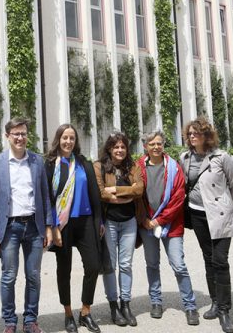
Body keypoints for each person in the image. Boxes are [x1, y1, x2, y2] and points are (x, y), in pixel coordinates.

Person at [0, 117, 53, 333]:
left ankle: (30, 320)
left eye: (23, 133)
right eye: (16, 134)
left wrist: (49, 226)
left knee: (33, 275)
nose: (20, 137)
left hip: (34, 226)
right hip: (9, 228)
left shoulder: (37, 161)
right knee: (9, 276)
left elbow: (45, 195)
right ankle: (10, 322)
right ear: (8, 136)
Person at [180, 117, 233, 333]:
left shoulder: (221, 157)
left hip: (220, 215)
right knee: (208, 258)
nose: (192, 136)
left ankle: (225, 310)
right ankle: (215, 302)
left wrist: (221, 203)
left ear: (206, 135)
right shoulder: (185, 157)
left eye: (196, 132)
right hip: (197, 215)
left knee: (220, 260)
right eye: (190, 133)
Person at [45, 124, 104, 333]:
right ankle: (68, 313)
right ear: (58, 139)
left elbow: (95, 194)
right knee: (65, 269)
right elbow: (48, 198)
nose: (68, 141)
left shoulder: (83, 163)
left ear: (75, 141)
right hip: (63, 224)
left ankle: (85, 312)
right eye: (64, 138)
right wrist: (53, 226)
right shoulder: (51, 164)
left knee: (93, 266)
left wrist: (100, 222)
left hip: (86, 220)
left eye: (71, 138)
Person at [137, 130, 200, 326]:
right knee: (152, 264)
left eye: (159, 143)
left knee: (178, 265)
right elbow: (136, 196)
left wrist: (159, 220)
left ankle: (190, 305)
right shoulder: (138, 166)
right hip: (147, 225)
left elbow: (178, 197)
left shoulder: (174, 167)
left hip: (171, 225)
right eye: (152, 144)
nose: (156, 147)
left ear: (163, 145)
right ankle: (156, 301)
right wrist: (145, 219)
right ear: (145, 146)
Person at [93, 132, 144, 327]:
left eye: (123, 147)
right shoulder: (99, 166)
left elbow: (139, 190)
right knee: (110, 265)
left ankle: (126, 304)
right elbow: (100, 193)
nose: (120, 150)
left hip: (129, 221)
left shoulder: (133, 166)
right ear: (109, 149)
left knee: (126, 264)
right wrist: (125, 194)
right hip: (110, 222)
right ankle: (113, 306)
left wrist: (115, 191)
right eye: (116, 147)